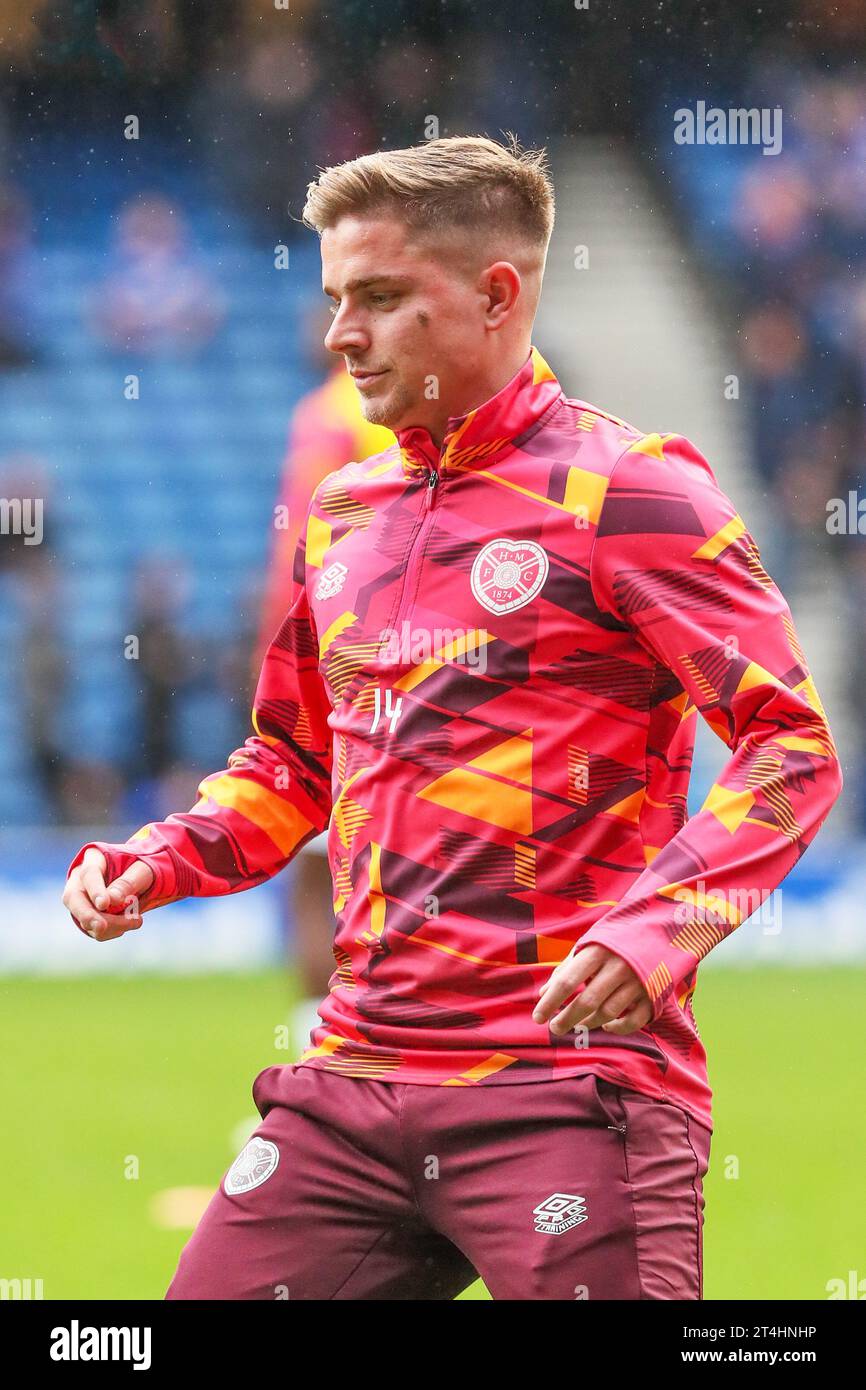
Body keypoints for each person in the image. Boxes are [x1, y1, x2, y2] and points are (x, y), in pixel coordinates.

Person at [63, 133, 843, 1301]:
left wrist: (654, 930)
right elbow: (291, 760)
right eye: (335, 298)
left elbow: (788, 747)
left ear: (494, 294)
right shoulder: (339, 513)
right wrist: (157, 859)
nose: (339, 334)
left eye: (378, 298)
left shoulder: (629, 493)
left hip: (564, 1085)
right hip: (350, 1082)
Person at [255, 302, 394, 1052]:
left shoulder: (328, 416)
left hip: (346, 659)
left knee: (317, 864)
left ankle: (326, 1040)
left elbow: (300, 550)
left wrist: (277, 653)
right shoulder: (424, 414)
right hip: (422, 654)